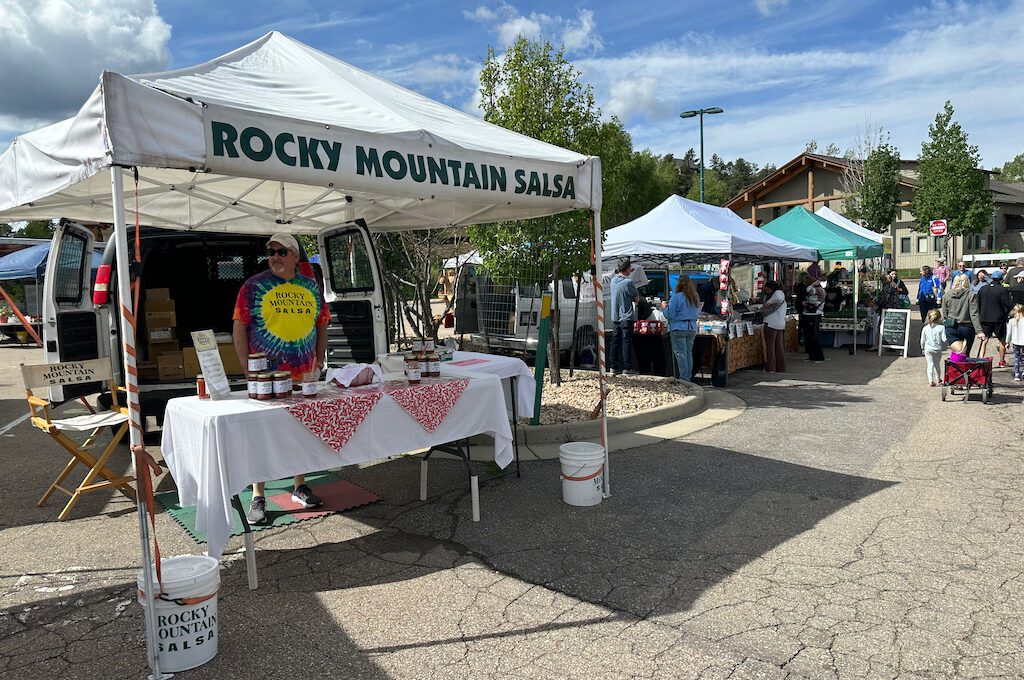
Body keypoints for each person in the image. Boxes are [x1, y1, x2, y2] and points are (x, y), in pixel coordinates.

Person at [234, 232, 331, 523]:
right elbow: (239, 326)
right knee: (261, 435)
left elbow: (322, 324)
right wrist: (246, 368)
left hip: (303, 374)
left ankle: (299, 484)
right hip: (266, 377)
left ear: (294, 256)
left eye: (281, 252)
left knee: (300, 431)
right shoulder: (253, 286)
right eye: (271, 252)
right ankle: (257, 494)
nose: (274, 257)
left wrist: (319, 358)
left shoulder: (310, 287)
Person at [666, 275, 700, 382]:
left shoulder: (676, 297)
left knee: (681, 354)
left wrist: (664, 308)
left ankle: (684, 378)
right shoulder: (695, 297)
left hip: (678, 327)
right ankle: (688, 377)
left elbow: (669, 314)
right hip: (691, 327)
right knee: (688, 353)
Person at [609, 258, 639, 376]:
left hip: (615, 316)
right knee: (626, 341)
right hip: (626, 316)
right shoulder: (628, 282)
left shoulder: (613, 281)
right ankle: (627, 367)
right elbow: (636, 298)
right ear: (627, 269)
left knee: (614, 341)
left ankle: (613, 367)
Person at [976, 272, 1013, 368]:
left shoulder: (983, 289)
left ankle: (980, 359)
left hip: (985, 318)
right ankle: (1001, 361)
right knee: (1001, 340)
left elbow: (977, 303)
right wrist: (1006, 313)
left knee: (984, 339)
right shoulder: (1003, 290)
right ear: (1001, 279)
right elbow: (1008, 304)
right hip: (999, 318)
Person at [941, 273, 982, 356]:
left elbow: (945, 313)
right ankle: (965, 368)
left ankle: (955, 368)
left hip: (951, 327)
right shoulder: (971, 295)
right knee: (965, 354)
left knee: (956, 353)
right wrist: (979, 331)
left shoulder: (947, 295)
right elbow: (974, 314)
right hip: (967, 326)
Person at [760, 280, 787, 373]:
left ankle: (770, 368)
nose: (766, 292)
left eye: (767, 290)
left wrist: (767, 303)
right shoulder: (781, 294)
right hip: (780, 324)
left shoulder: (778, 293)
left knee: (770, 347)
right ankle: (780, 367)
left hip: (771, 323)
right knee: (779, 346)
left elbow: (775, 299)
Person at [920, 308, 947, 387]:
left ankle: (930, 380)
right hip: (937, 349)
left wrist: (922, 348)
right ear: (939, 318)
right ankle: (938, 379)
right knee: (937, 364)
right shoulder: (941, 328)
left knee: (930, 364)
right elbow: (944, 339)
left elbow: (922, 340)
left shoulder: (925, 328)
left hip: (928, 349)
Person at [802, 277, 826, 362]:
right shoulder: (816, 290)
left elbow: (808, 289)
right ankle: (811, 355)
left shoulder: (818, 290)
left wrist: (812, 284)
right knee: (809, 337)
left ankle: (818, 356)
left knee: (814, 336)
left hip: (814, 314)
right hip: (809, 314)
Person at [1006, 303, 1024, 382]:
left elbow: (1009, 333)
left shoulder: (1011, 321)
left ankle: (1017, 374)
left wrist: (1007, 342)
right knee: (1023, 358)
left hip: (1015, 342)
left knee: (1016, 358)